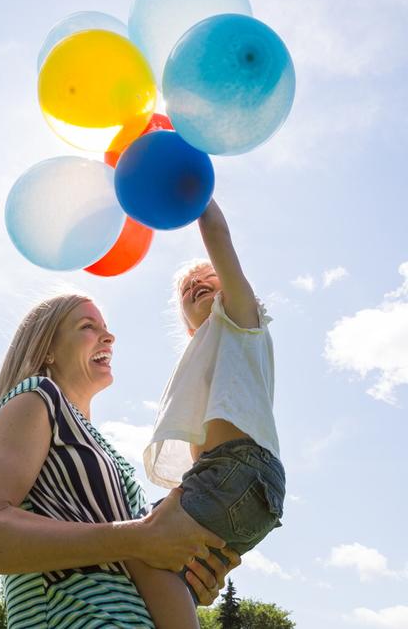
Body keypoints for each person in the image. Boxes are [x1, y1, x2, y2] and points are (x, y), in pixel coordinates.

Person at [0, 292, 241, 628]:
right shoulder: (39, 396)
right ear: (47, 350)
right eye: (88, 326)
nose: (109, 336)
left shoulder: (103, 449)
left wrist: (187, 570)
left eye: (107, 327)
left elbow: (134, 555)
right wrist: (138, 538)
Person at [130, 198, 286, 624]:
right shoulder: (204, 353)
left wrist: (195, 191)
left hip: (238, 471)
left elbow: (217, 235)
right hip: (231, 484)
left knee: (141, 545)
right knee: (166, 576)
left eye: (207, 277)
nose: (195, 283)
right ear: (184, 322)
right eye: (186, 288)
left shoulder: (241, 319)